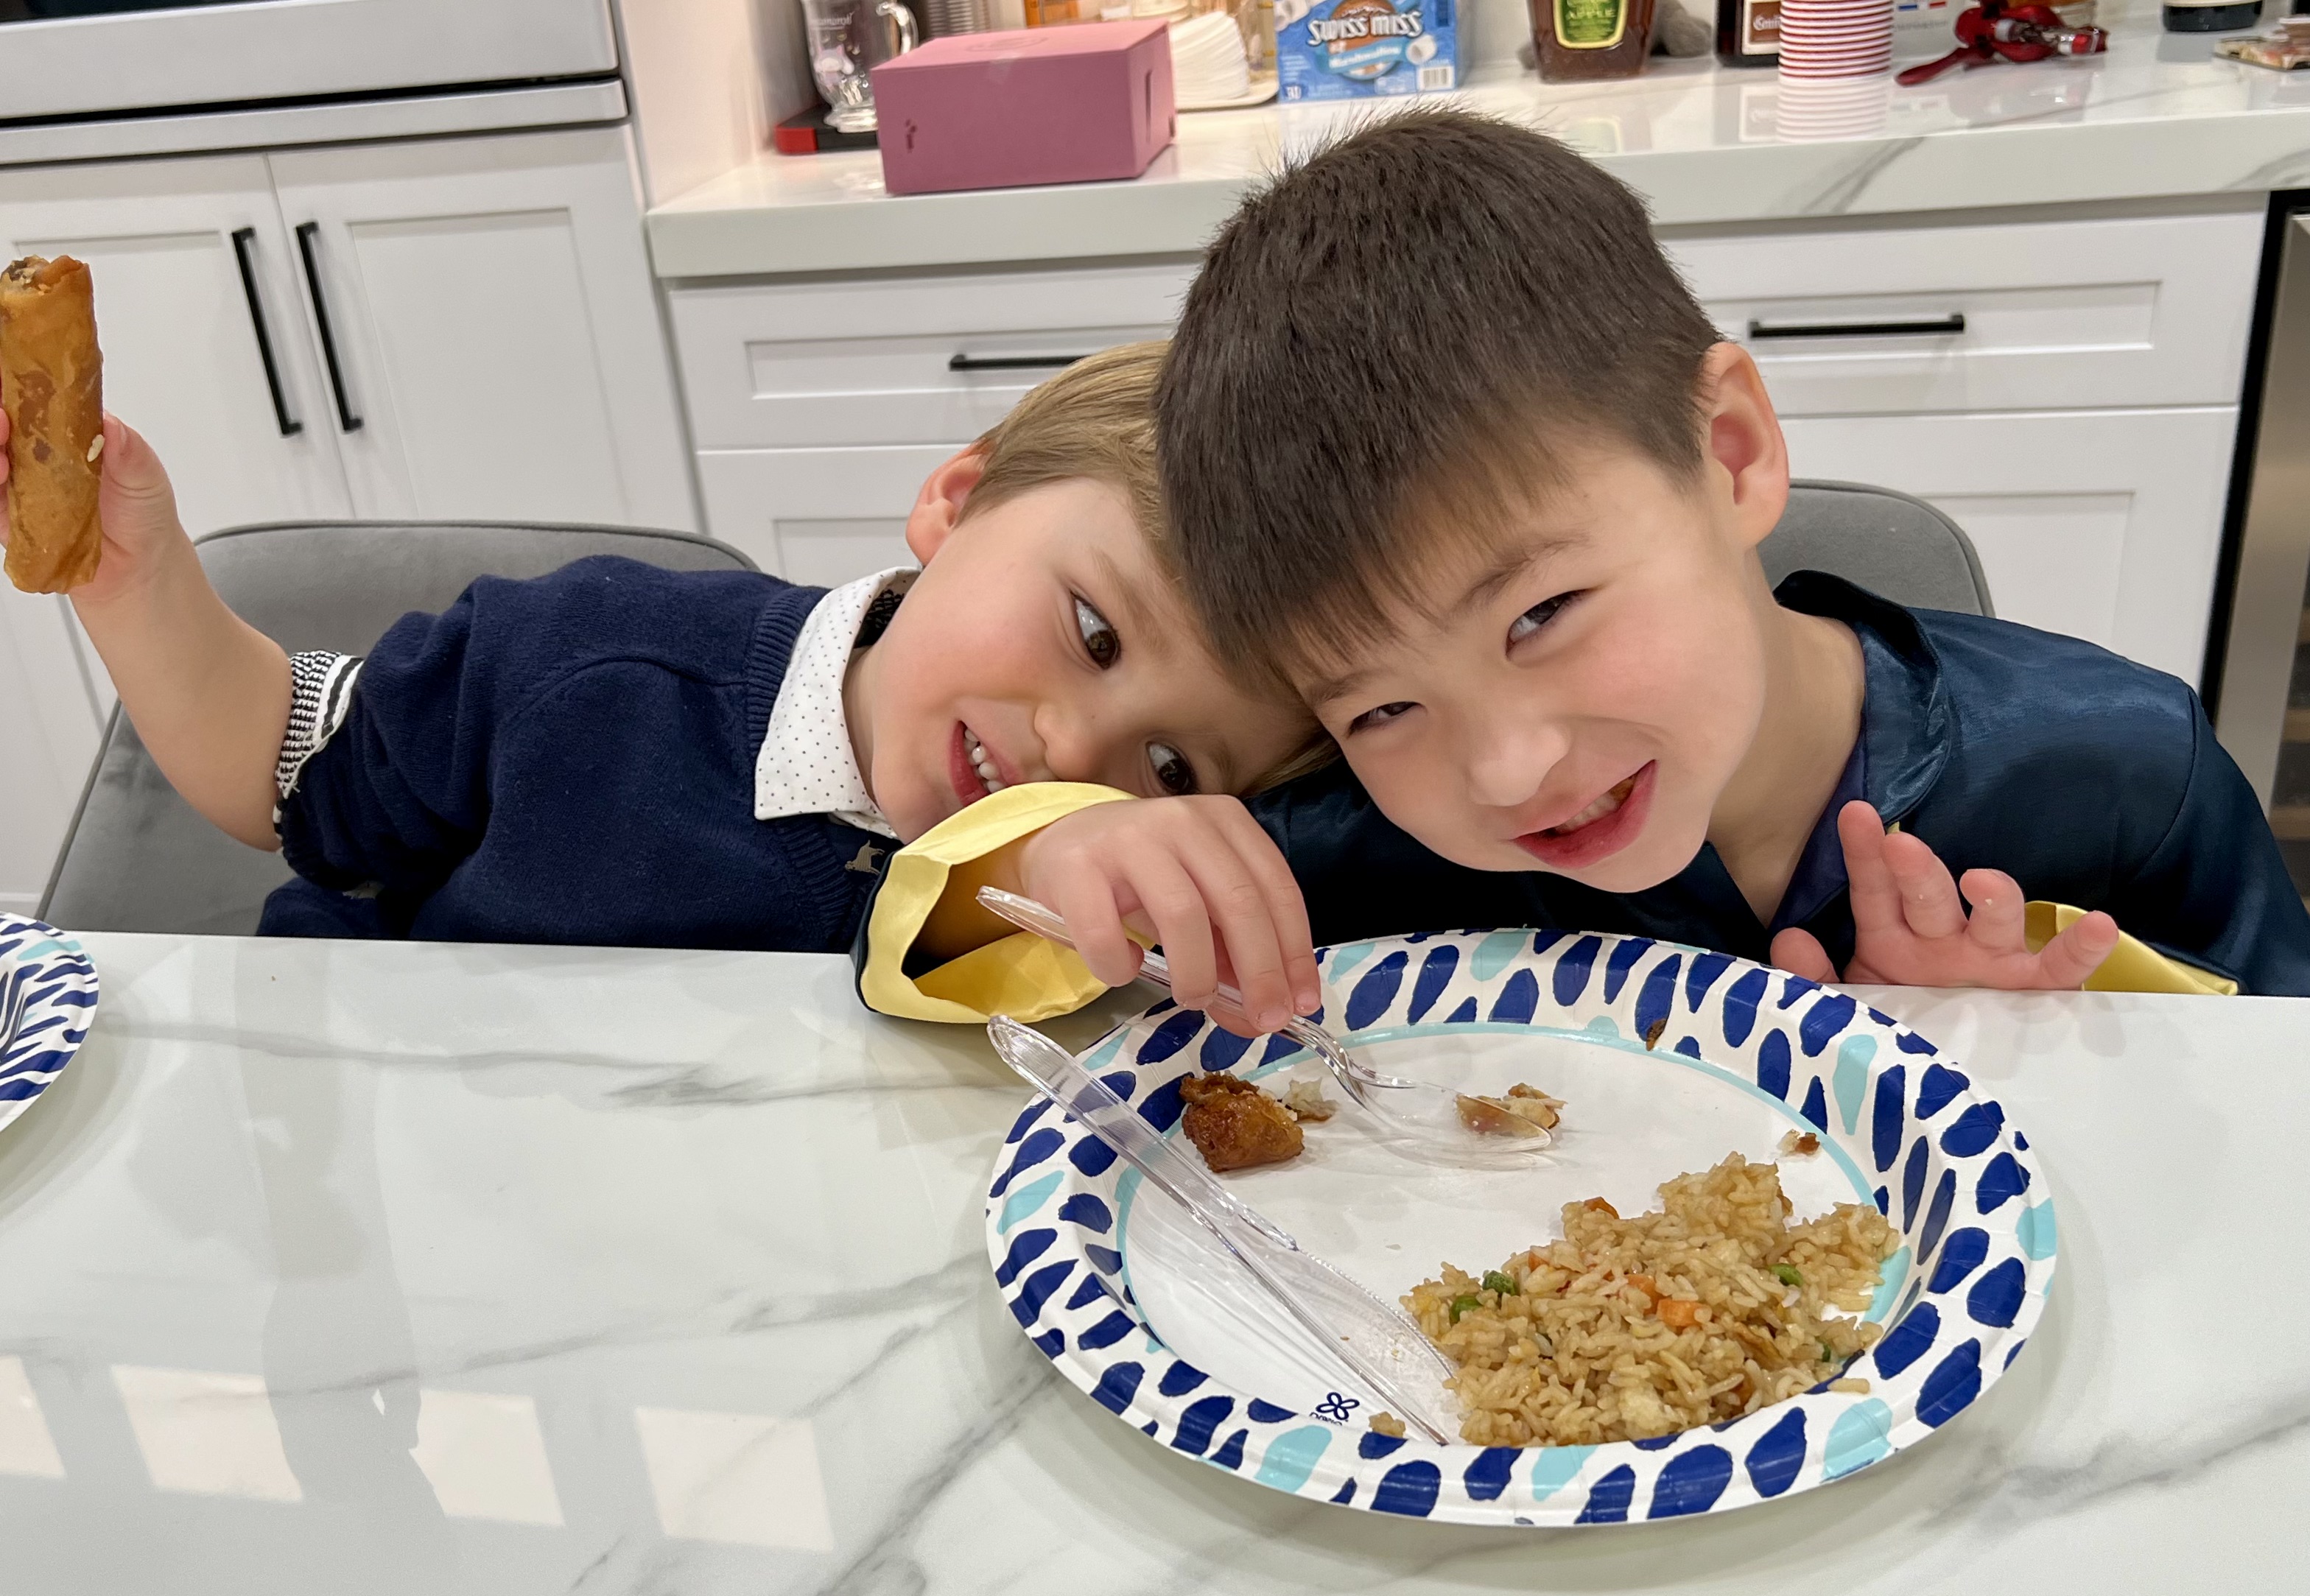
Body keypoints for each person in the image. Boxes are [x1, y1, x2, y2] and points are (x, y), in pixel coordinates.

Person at [863, 112, 2310, 1025]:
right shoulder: (1362, 844)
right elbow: (934, 956)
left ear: (1731, 450)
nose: (1504, 771)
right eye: (1375, 706)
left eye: (1540, 614)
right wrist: (1058, 850)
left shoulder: (2116, 767)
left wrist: (2055, 1038)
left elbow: (2266, 1102)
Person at [4, 342, 1321, 953]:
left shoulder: (1068, 924)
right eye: (1092, 630)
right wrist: (136, 582)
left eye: (1173, 761)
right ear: (959, 500)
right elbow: (289, 777)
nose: (1080, 751)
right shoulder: (591, 660)